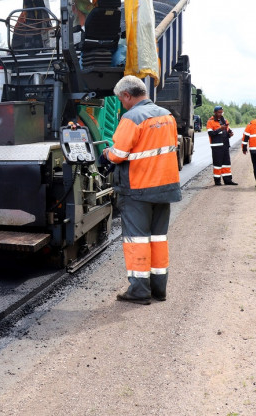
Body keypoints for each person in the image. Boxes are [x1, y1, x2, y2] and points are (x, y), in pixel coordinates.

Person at [101, 75, 181, 305]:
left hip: (138, 189)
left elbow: (118, 154)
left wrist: (105, 154)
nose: (122, 104)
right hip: (164, 188)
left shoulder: (132, 117)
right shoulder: (167, 115)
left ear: (127, 95)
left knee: (136, 240)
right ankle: (158, 289)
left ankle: (139, 291)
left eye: (121, 99)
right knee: (158, 238)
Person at [206, 105, 238, 186]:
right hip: (217, 146)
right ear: (215, 112)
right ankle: (217, 181)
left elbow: (227, 131)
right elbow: (211, 133)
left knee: (226, 164)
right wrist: (220, 128)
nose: (220, 114)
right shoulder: (210, 121)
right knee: (217, 164)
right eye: (219, 112)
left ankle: (228, 180)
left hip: (225, 146)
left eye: (221, 112)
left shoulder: (225, 120)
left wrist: (230, 134)